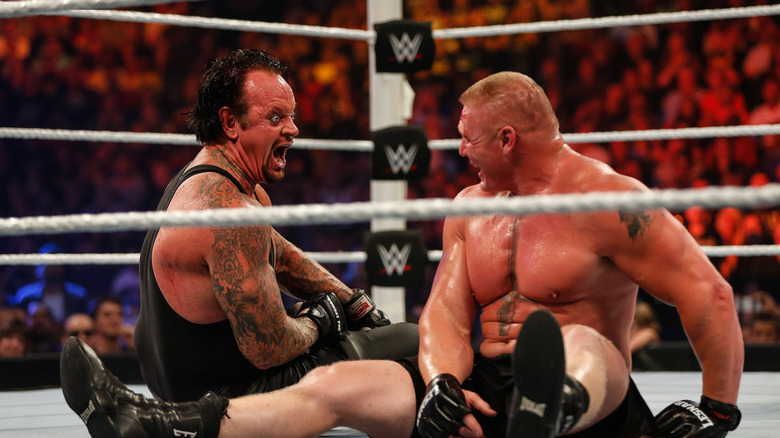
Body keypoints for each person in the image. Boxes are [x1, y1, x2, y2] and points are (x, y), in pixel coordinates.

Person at [61, 71, 744, 438]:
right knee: (339, 386)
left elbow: (706, 293)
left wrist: (717, 409)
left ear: (507, 139)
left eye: (466, 138)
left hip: (593, 404)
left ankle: (553, 406)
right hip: (488, 397)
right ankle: (160, 426)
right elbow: (446, 315)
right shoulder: (469, 213)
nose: (455, 151)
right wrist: (445, 383)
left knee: (585, 346)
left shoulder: (608, 202)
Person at [128, 49, 413, 402]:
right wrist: (320, 321)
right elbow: (270, 349)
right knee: (411, 342)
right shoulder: (229, 211)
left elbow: (282, 257)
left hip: (182, 380)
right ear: (231, 122)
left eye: (290, 116)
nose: (292, 129)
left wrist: (353, 303)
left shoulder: (210, 180)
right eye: (276, 117)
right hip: (228, 396)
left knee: (359, 330)